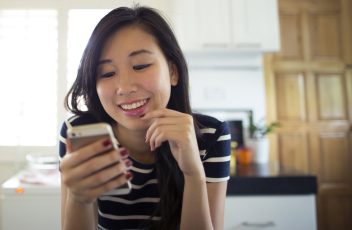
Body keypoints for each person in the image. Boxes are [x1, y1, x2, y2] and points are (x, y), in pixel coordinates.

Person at [58, 5, 230, 230]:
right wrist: (79, 198)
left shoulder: (210, 137)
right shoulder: (80, 132)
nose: (125, 87)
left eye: (140, 66)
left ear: (173, 72)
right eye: (108, 73)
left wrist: (193, 173)